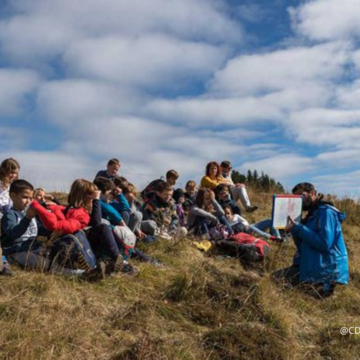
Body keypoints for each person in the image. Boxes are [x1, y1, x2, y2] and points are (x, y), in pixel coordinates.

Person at [32, 179, 123, 277]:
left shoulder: (82, 210)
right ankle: (95, 267)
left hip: (83, 243)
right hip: (71, 243)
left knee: (103, 228)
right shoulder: (75, 210)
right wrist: (96, 200)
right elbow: (96, 222)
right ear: (84, 195)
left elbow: (96, 223)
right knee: (95, 229)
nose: (93, 198)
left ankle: (115, 259)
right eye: (90, 195)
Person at [273, 182, 349, 297]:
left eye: (301, 195)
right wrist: (294, 230)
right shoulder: (311, 215)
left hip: (324, 272)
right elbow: (304, 247)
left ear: (313, 193)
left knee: (275, 284)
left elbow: (325, 244)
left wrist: (299, 228)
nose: (300, 200)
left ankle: (322, 290)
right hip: (311, 266)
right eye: (296, 197)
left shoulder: (326, 212)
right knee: (273, 280)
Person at [1, 179, 49, 271]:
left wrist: (53, 229)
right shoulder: (10, 214)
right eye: (25, 197)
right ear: (13, 196)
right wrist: (27, 218)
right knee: (44, 264)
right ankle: (75, 273)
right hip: (16, 251)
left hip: (32, 247)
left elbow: (39, 229)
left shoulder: (28, 212)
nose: (28, 201)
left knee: (53, 253)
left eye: (31, 198)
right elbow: (13, 234)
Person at [0, 158, 20, 275]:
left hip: (9, 218)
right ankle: (4, 266)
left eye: (16, 173)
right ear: (3, 170)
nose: (13, 175)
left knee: (6, 244)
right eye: (11, 172)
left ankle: (5, 265)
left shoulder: (13, 186)